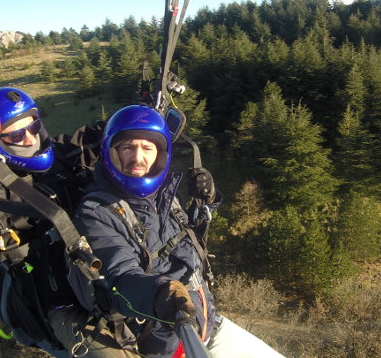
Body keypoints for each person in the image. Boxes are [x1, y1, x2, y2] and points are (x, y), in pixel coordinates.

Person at [69, 104, 284, 358]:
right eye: (127, 147)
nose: (138, 158)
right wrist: (161, 294)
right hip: (170, 344)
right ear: (111, 152)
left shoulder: (163, 196)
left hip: (208, 323)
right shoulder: (96, 212)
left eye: (148, 148)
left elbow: (188, 236)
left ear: (161, 154)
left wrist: (208, 201)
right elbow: (120, 279)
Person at [0, 86, 117, 358]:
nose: (30, 138)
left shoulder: (60, 156)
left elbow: (100, 137)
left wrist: (141, 117)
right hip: (57, 305)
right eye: (17, 135)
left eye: (33, 127)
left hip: (102, 272)